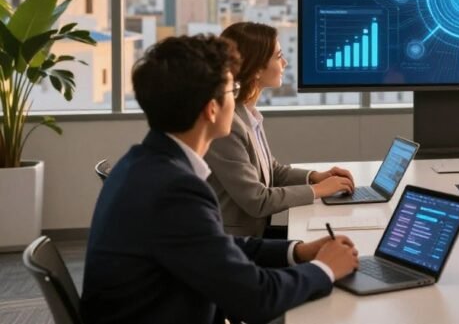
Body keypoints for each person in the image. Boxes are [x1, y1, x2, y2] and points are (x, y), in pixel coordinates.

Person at [81, 36, 359, 324]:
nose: (237, 98)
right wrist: (324, 269)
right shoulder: (173, 190)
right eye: (232, 89)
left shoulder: (143, 163)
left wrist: (298, 251)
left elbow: (218, 246)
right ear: (211, 109)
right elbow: (256, 298)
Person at [207, 22, 354, 237]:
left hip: (256, 234)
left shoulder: (247, 114)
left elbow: (272, 171)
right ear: (256, 69)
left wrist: (315, 177)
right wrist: (318, 190)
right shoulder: (228, 126)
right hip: (235, 244)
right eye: (278, 56)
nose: (284, 63)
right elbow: (257, 200)